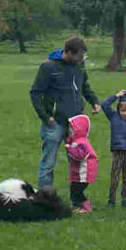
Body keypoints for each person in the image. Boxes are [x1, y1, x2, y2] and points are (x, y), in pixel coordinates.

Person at [30, 37, 100, 190]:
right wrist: (45, 116)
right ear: (68, 52)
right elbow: (35, 93)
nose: (81, 60)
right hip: (54, 123)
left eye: (83, 57)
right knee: (48, 161)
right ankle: (44, 195)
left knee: (78, 160)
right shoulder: (48, 67)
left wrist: (94, 101)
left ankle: (77, 197)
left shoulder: (79, 65)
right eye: (79, 57)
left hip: (76, 124)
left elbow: (84, 85)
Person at [65, 114, 98, 213]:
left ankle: (86, 206)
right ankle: (77, 205)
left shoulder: (82, 143)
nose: (70, 130)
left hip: (84, 171)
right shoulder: (77, 141)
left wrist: (69, 149)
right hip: (79, 171)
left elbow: (80, 155)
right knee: (73, 188)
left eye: (72, 128)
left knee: (77, 190)